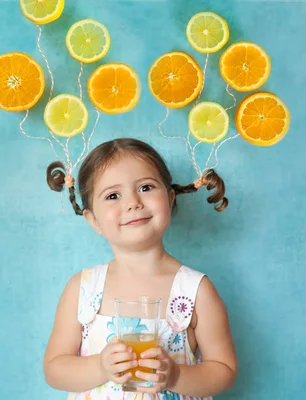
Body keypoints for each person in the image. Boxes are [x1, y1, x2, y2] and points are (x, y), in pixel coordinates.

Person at [42, 138, 237, 399]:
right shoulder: (83, 288)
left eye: (146, 187)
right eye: (113, 195)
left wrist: (177, 376)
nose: (133, 202)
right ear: (93, 220)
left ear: (169, 199)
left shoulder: (195, 290)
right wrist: (99, 366)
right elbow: (55, 369)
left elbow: (224, 370)